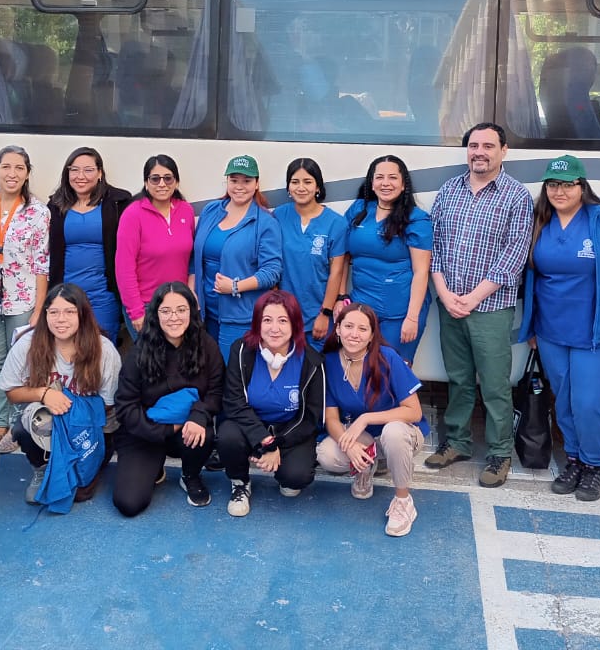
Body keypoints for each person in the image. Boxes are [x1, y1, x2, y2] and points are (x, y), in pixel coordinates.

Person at [516, 154, 600, 502]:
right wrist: (531, 328)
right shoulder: (538, 222)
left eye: (568, 184)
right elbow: (533, 278)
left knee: (590, 403)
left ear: (582, 186)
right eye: (553, 184)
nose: (560, 191)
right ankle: (574, 458)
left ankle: (595, 464)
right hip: (552, 331)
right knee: (567, 402)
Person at [425, 124, 532, 488]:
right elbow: (432, 245)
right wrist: (443, 293)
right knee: (458, 379)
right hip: (449, 302)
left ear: (504, 150)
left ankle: (500, 454)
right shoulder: (449, 191)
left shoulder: (516, 197)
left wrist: (472, 298)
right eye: (473, 145)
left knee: (494, 384)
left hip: (489, 306)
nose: (479, 152)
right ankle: (458, 442)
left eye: (488, 145)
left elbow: (513, 256)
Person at [0, 283, 122, 504]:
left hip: (92, 427)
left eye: (69, 312)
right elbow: (12, 392)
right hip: (50, 423)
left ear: (82, 314)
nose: (60, 319)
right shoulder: (27, 343)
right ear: (45, 314)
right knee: (25, 426)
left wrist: (70, 415)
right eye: (53, 312)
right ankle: (42, 468)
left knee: (79, 494)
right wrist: (44, 394)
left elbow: (108, 404)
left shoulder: (104, 349)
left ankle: (85, 464)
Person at [112, 283, 224, 516]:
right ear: (155, 314)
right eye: (166, 311)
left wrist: (198, 415)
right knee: (129, 503)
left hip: (185, 431)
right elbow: (125, 408)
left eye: (181, 310)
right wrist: (164, 428)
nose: (174, 317)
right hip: (145, 431)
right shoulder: (140, 351)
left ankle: (190, 475)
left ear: (192, 312)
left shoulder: (206, 346)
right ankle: (154, 469)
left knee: (204, 432)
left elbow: (216, 391)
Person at [316, 304, 428, 537]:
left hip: (401, 431)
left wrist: (366, 418)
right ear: (337, 329)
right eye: (348, 326)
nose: (354, 334)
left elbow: (414, 412)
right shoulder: (328, 362)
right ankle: (365, 466)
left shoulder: (388, 357)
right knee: (327, 454)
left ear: (371, 335)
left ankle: (403, 501)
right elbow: (332, 419)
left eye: (362, 329)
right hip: (361, 436)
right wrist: (352, 446)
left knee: (393, 433)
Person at [218, 290, 325, 517]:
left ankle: (280, 468)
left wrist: (276, 444)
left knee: (296, 479)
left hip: (289, 433)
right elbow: (234, 402)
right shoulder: (241, 350)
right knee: (227, 436)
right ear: (257, 323)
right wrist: (265, 442)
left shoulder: (312, 361)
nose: (274, 328)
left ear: (295, 324)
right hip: (248, 427)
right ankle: (239, 483)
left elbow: (310, 418)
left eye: (283, 320)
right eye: (267, 320)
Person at [0, 145, 50, 452]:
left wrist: (39, 308)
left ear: (27, 173)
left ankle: (21, 421)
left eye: (19, 168)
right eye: (6, 167)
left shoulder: (38, 211)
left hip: (23, 299)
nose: (12, 173)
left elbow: (42, 262)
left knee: (22, 362)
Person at [342, 155, 433, 362]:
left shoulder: (416, 219)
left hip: (399, 313)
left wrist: (412, 318)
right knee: (359, 369)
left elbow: (421, 272)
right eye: (379, 177)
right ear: (371, 183)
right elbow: (342, 259)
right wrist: (341, 298)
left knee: (393, 374)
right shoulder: (359, 211)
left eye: (392, 178)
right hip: (361, 310)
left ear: (403, 185)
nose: (385, 183)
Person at [189, 155, 282, 355]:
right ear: (227, 182)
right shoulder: (211, 210)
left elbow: (272, 272)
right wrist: (192, 292)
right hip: (203, 313)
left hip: (239, 317)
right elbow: (194, 256)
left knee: (232, 377)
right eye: (234, 180)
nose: (239, 187)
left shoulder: (265, 222)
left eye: (247, 181)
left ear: (257, 184)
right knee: (207, 375)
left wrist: (234, 286)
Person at [47, 147, 133, 343]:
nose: (80, 176)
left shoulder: (118, 203)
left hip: (103, 295)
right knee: (67, 351)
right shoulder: (55, 205)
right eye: (74, 170)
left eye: (88, 170)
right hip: (65, 296)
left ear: (100, 173)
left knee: (102, 351)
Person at [115, 155, 195, 341]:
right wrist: (136, 311)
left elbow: (191, 258)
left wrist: (190, 293)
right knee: (152, 364)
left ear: (176, 182)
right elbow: (124, 268)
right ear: (146, 182)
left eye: (168, 178)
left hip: (178, 305)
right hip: (146, 306)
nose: (162, 184)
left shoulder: (186, 211)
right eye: (155, 178)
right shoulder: (133, 215)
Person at [274, 158, 348, 351]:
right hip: (283, 315)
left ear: (317, 187)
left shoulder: (336, 223)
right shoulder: (278, 216)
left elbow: (336, 272)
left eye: (307, 182)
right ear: (288, 188)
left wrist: (325, 313)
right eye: (295, 182)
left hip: (317, 316)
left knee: (315, 373)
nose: (301, 188)